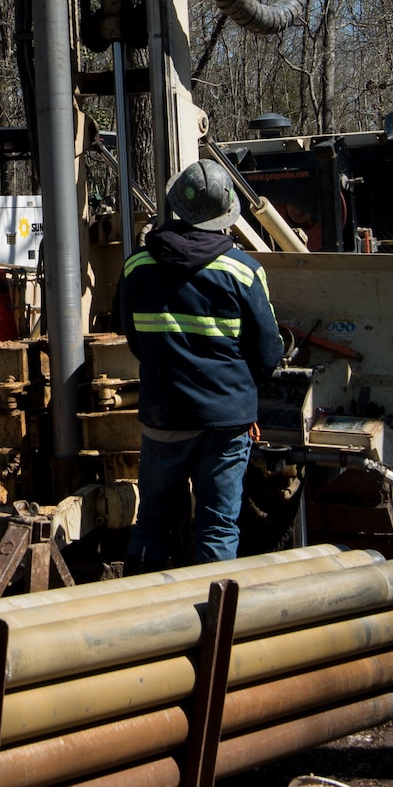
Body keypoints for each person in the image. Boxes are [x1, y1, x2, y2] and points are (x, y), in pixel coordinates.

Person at [118, 158, 282, 571]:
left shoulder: (136, 267)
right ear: (225, 214)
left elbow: (136, 341)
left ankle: (136, 619)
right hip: (227, 422)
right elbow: (268, 353)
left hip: (164, 415)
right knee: (218, 527)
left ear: (177, 206)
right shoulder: (244, 271)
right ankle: (214, 617)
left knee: (152, 525)